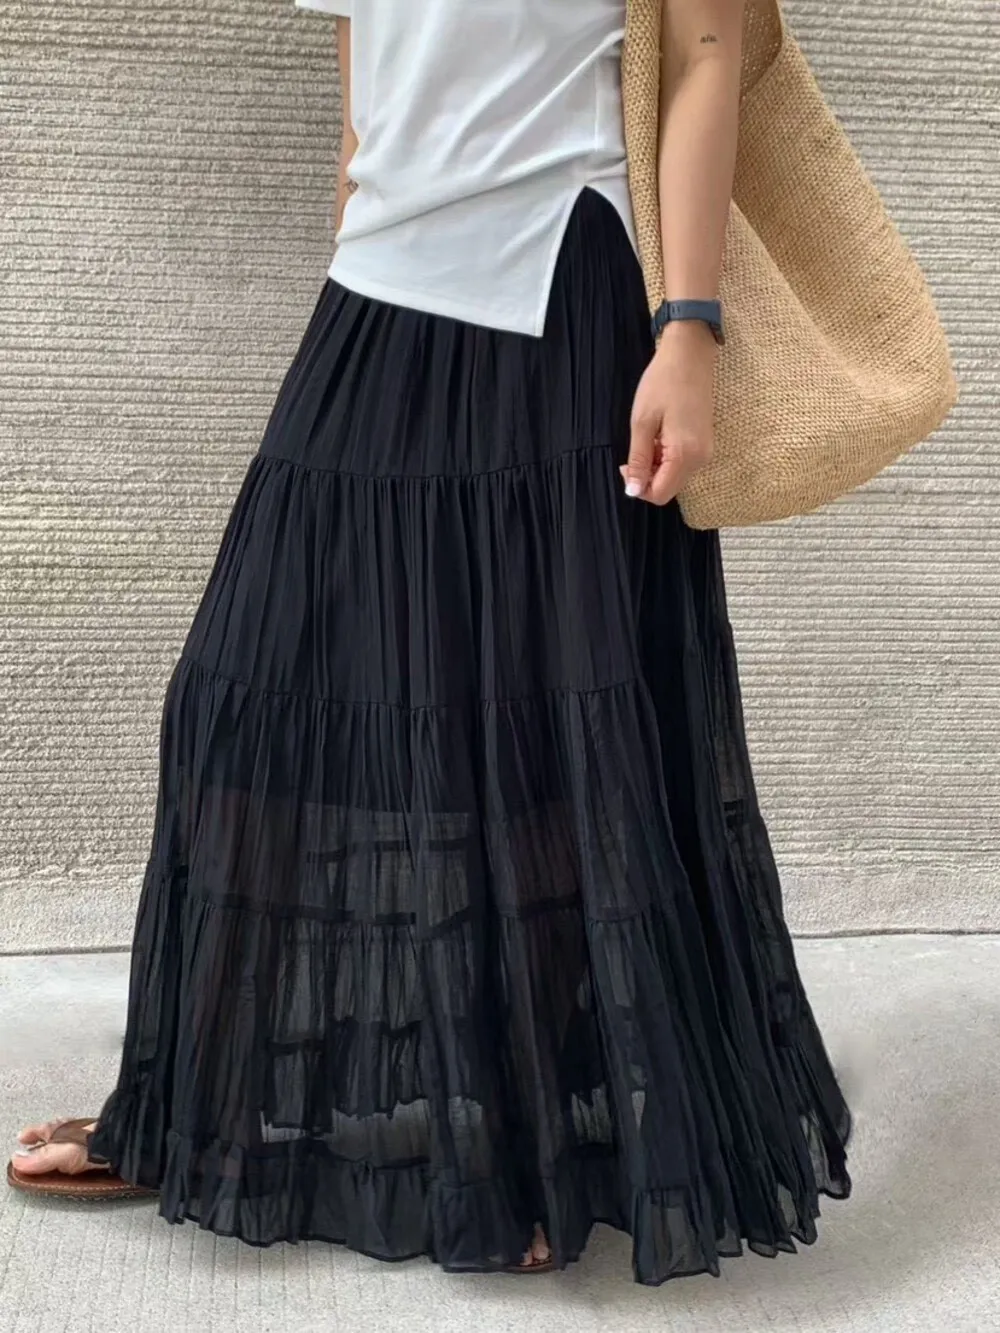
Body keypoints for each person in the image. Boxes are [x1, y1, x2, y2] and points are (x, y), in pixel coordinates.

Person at [8, 0, 853, 1284]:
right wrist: (356, 258)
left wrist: (688, 326)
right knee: (231, 697)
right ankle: (192, 1112)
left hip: (549, 279)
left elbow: (703, 54)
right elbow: (368, 81)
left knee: (527, 730)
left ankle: (526, 1156)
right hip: (381, 281)